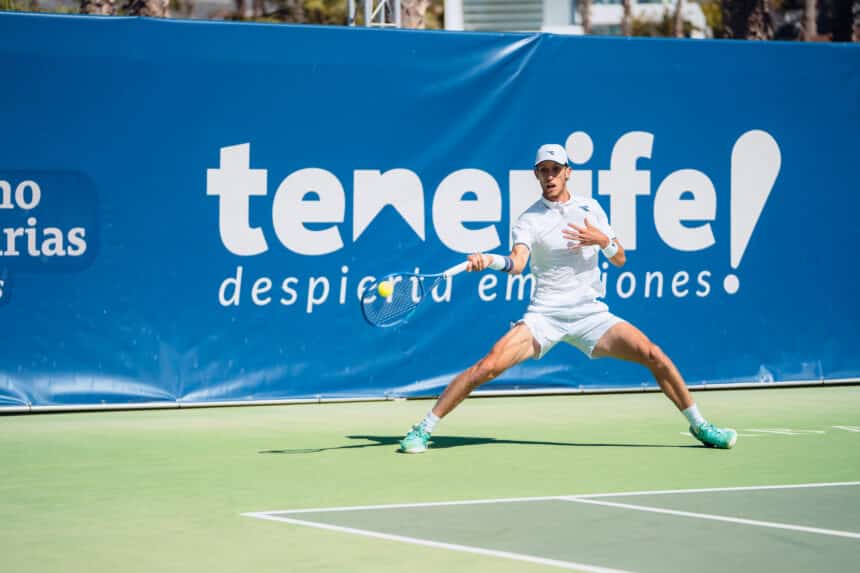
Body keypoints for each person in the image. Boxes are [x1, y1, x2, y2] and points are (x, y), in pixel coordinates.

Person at [398, 143, 737, 453]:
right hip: (545, 316)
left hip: (591, 314)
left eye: (555, 169)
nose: (550, 176)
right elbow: (517, 265)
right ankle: (422, 429)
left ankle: (701, 426)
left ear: (567, 172)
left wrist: (602, 239)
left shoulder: (590, 208)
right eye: (543, 170)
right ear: (536, 175)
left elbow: (620, 258)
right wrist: (489, 260)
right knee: (486, 367)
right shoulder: (529, 219)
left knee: (653, 354)